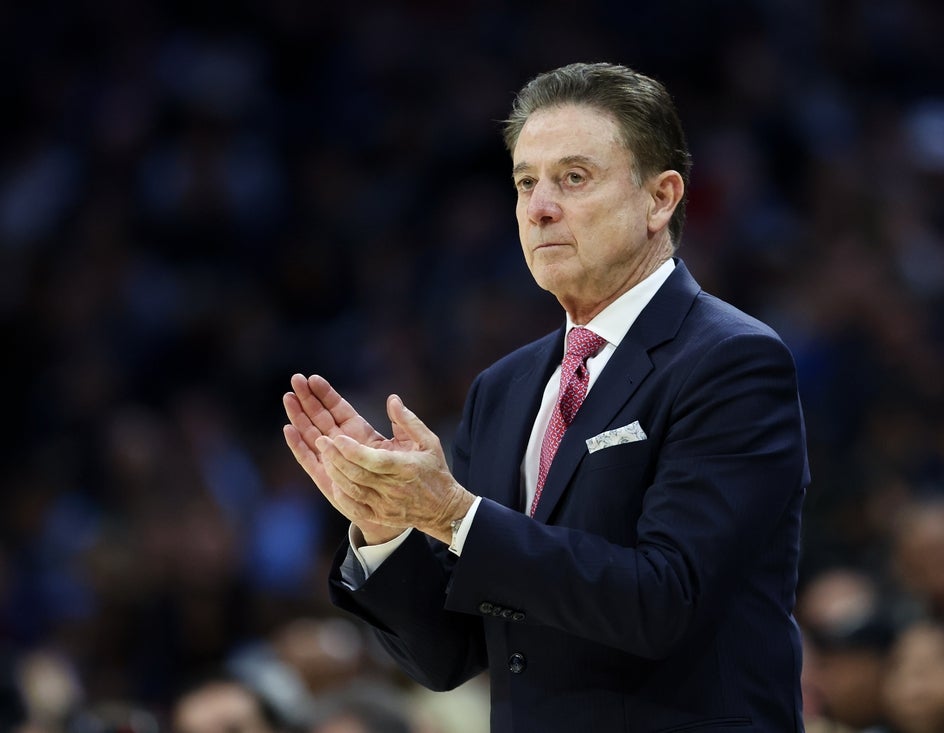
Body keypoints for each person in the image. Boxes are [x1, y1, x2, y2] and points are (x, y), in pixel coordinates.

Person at [283, 62, 810, 731]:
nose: (539, 208)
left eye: (574, 178)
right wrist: (388, 526)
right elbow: (449, 655)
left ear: (660, 198)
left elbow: (665, 600)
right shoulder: (501, 390)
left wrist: (454, 514)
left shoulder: (731, 360)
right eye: (526, 182)